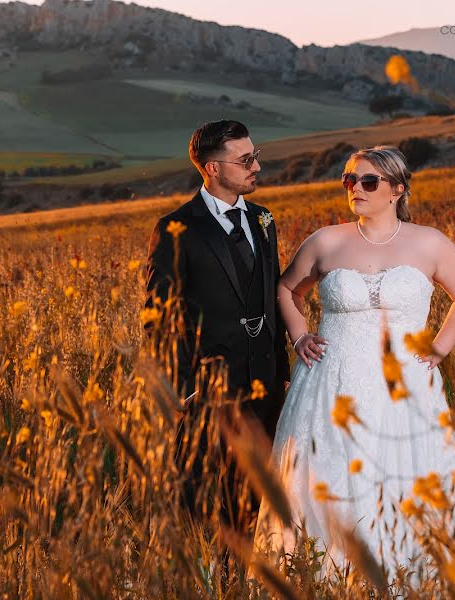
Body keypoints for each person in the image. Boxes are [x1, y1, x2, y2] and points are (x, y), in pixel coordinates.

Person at [255, 146, 455, 573]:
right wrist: (300, 334)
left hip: (406, 388)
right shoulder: (326, 240)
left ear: (397, 189)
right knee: (325, 481)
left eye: (368, 181)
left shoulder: (430, 242)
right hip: (330, 383)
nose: (355, 188)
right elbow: (288, 290)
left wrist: (439, 346)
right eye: (349, 180)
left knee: (405, 481)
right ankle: (324, 576)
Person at [144, 119, 291, 525]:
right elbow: (158, 316)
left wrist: (282, 373)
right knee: (201, 508)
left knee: (256, 505)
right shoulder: (178, 228)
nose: (256, 167)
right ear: (212, 168)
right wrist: (187, 390)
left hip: (266, 393)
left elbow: (271, 296)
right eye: (245, 160)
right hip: (209, 395)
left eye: (255, 156)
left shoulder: (264, 220)